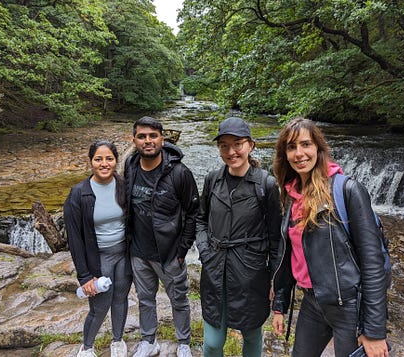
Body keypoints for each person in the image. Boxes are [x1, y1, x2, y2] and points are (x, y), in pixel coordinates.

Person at [271, 117, 389, 357]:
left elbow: (373, 262)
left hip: (349, 308)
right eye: (291, 147)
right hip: (313, 303)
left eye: (306, 144)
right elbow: (289, 255)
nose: (299, 153)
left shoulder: (347, 191)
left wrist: (374, 330)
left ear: (318, 148)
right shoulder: (291, 194)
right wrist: (279, 306)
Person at [196, 117, 282, 357]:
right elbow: (200, 219)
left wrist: (275, 279)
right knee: (213, 342)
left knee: (251, 334)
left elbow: (276, 238)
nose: (231, 151)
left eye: (237, 144)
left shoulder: (266, 185)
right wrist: (205, 251)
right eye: (224, 145)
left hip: (250, 274)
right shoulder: (212, 179)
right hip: (215, 270)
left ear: (251, 145)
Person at [124, 116, 199, 357]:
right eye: (142, 136)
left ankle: (184, 342)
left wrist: (181, 251)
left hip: (168, 254)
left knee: (179, 300)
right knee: (145, 299)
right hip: (138, 251)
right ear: (134, 140)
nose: (148, 141)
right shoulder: (131, 166)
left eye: (153, 136)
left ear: (162, 139)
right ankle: (149, 341)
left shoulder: (179, 173)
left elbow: (193, 212)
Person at [64, 139, 132, 357]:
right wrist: (84, 277)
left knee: (121, 299)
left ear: (116, 161)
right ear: (91, 161)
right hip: (98, 258)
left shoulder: (124, 185)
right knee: (100, 307)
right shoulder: (78, 194)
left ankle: (117, 341)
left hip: (123, 255)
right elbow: (74, 239)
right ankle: (87, 347)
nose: (104, 164)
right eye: (98, 159)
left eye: (109, 159)